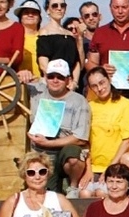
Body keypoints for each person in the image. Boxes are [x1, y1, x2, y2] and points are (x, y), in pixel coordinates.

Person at [28, 59, 91, 193]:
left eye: (60, 77)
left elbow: (81, 138)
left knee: (74, 156)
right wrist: (22, 74)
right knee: (50, 191)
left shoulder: (79, 101)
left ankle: (73, 187)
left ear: (68, 80)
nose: (55, 80)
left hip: (65, 150)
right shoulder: (36, 91)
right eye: (51, 76)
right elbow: (13, 83)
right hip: (41, 151)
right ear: (45, 78)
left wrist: (48, 143)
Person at [80, 66, 129, 197]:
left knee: (102, 193)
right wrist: (88, 169)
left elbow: (128, 140)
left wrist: (109, 168)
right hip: (94, 167)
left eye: (102, 83)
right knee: (84, 194)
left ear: (109, 79)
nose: (100, 89)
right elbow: (85, 142)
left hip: (115, 167)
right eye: (94, 86)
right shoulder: (90, 106)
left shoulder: (125, 105)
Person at [38, 0, 82, 86]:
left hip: (69, 84)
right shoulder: (44, 32)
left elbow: (76, 62)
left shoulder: (70, 34)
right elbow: (43, 63)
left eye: (62, 5)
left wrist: (74, 82)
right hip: (51, 84)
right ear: (47, 10)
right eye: (55, 6)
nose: (59, 8)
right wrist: (56, 81)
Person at [15, 0, 43, 84]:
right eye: (26, 12)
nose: (30, 15)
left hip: (42, 85)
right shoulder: (14, 38)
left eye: (34, 12)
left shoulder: (45, 37)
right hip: (18, 84)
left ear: (39, 18)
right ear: (20, 17)